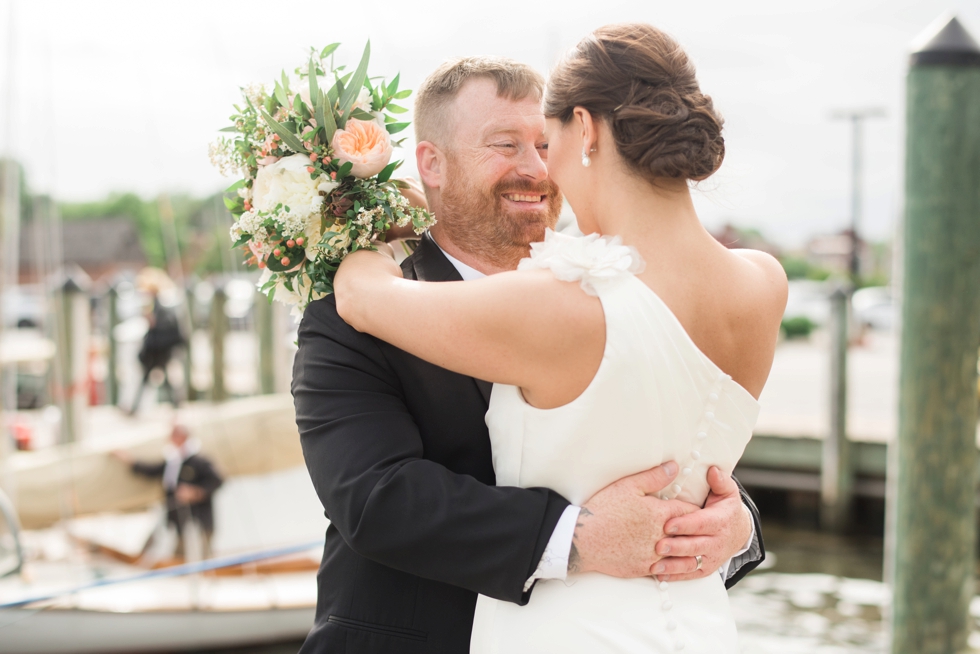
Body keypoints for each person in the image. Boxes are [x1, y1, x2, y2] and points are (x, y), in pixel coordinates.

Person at [293, 48, 768, 654]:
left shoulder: (617, 292)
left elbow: (675, 441)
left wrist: (734, 524)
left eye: (544, 144)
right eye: (504, 145)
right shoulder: (347, 317)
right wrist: (577, 538)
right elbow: (376, 499)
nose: (535, 169)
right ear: (430, 164)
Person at [112, 424, 223, 559]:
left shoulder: (199, 461)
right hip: (179, 517)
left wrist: (195, 493)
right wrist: (129, 460)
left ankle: (206, 571)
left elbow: (217, 480)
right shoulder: (173, 461)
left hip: (200, 517)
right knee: (180, 550)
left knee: (204, 551)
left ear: (181, 437)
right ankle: (178, 570)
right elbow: (151, 470)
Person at [128, 268, 185, 415]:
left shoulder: (159, 305)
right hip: (159, 348)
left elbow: (160, 326)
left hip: (158, 348)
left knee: (150, 377)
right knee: (161, 378)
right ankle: (176, 404)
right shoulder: (158, 303)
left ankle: (135, 409)